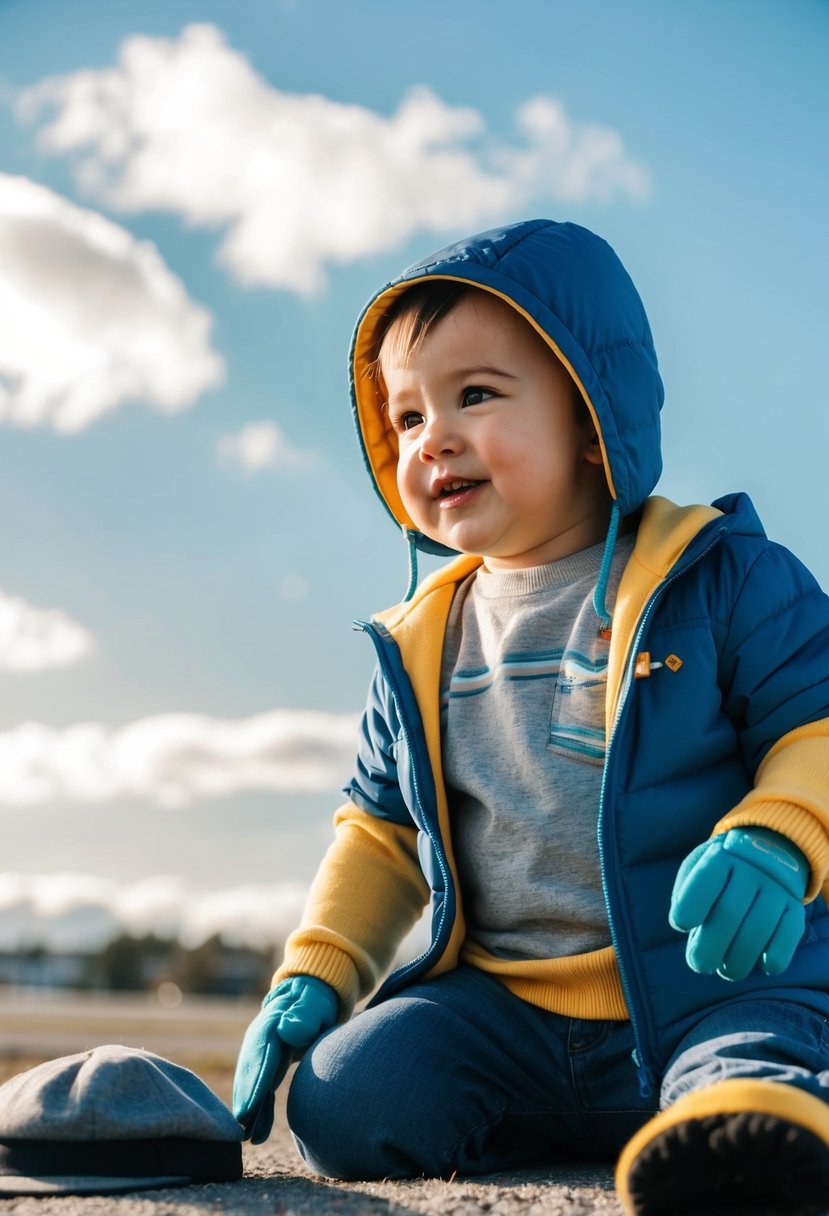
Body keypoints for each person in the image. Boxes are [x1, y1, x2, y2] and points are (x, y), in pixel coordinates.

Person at [232, 219, 829, 1215]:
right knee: (345, 1099)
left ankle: (741, 1132)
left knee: (751, 1063)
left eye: (475, 395)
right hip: (504, 1006)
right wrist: (318, 971)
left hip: (709, 984)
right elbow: (379, 832)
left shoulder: (722, 577)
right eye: (408, 414)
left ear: (595, 419)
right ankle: (590, 1112)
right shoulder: (421, 640)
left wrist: (778, 835)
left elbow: (813, 726)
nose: (436, 439)